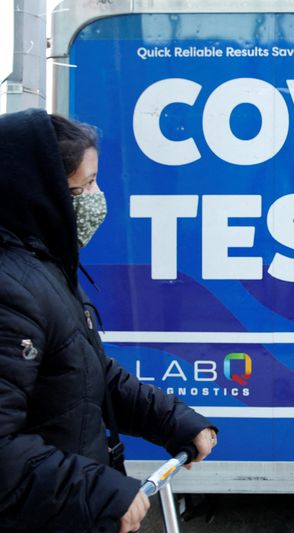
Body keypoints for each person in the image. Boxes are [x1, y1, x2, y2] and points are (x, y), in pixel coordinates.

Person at [0, 108, 218, 532]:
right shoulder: (11, 291)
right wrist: (98, 491)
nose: (98, 198)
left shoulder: (42, 268)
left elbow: (87, 375)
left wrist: (173, 421)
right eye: (87, 185)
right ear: (40, 192)